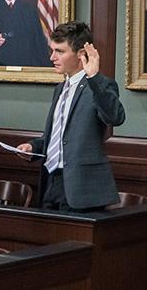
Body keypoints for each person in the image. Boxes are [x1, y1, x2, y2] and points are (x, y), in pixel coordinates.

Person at [16, 21, 125, 211]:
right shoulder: (60, 89)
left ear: (81, 54)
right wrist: (33, 146)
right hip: (50, 182)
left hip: (81, 188)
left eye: (60, 51)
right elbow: (60, 137)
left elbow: (115, 117)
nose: (52, 57)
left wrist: (94, 78)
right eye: (52, 50)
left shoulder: (100, 85)